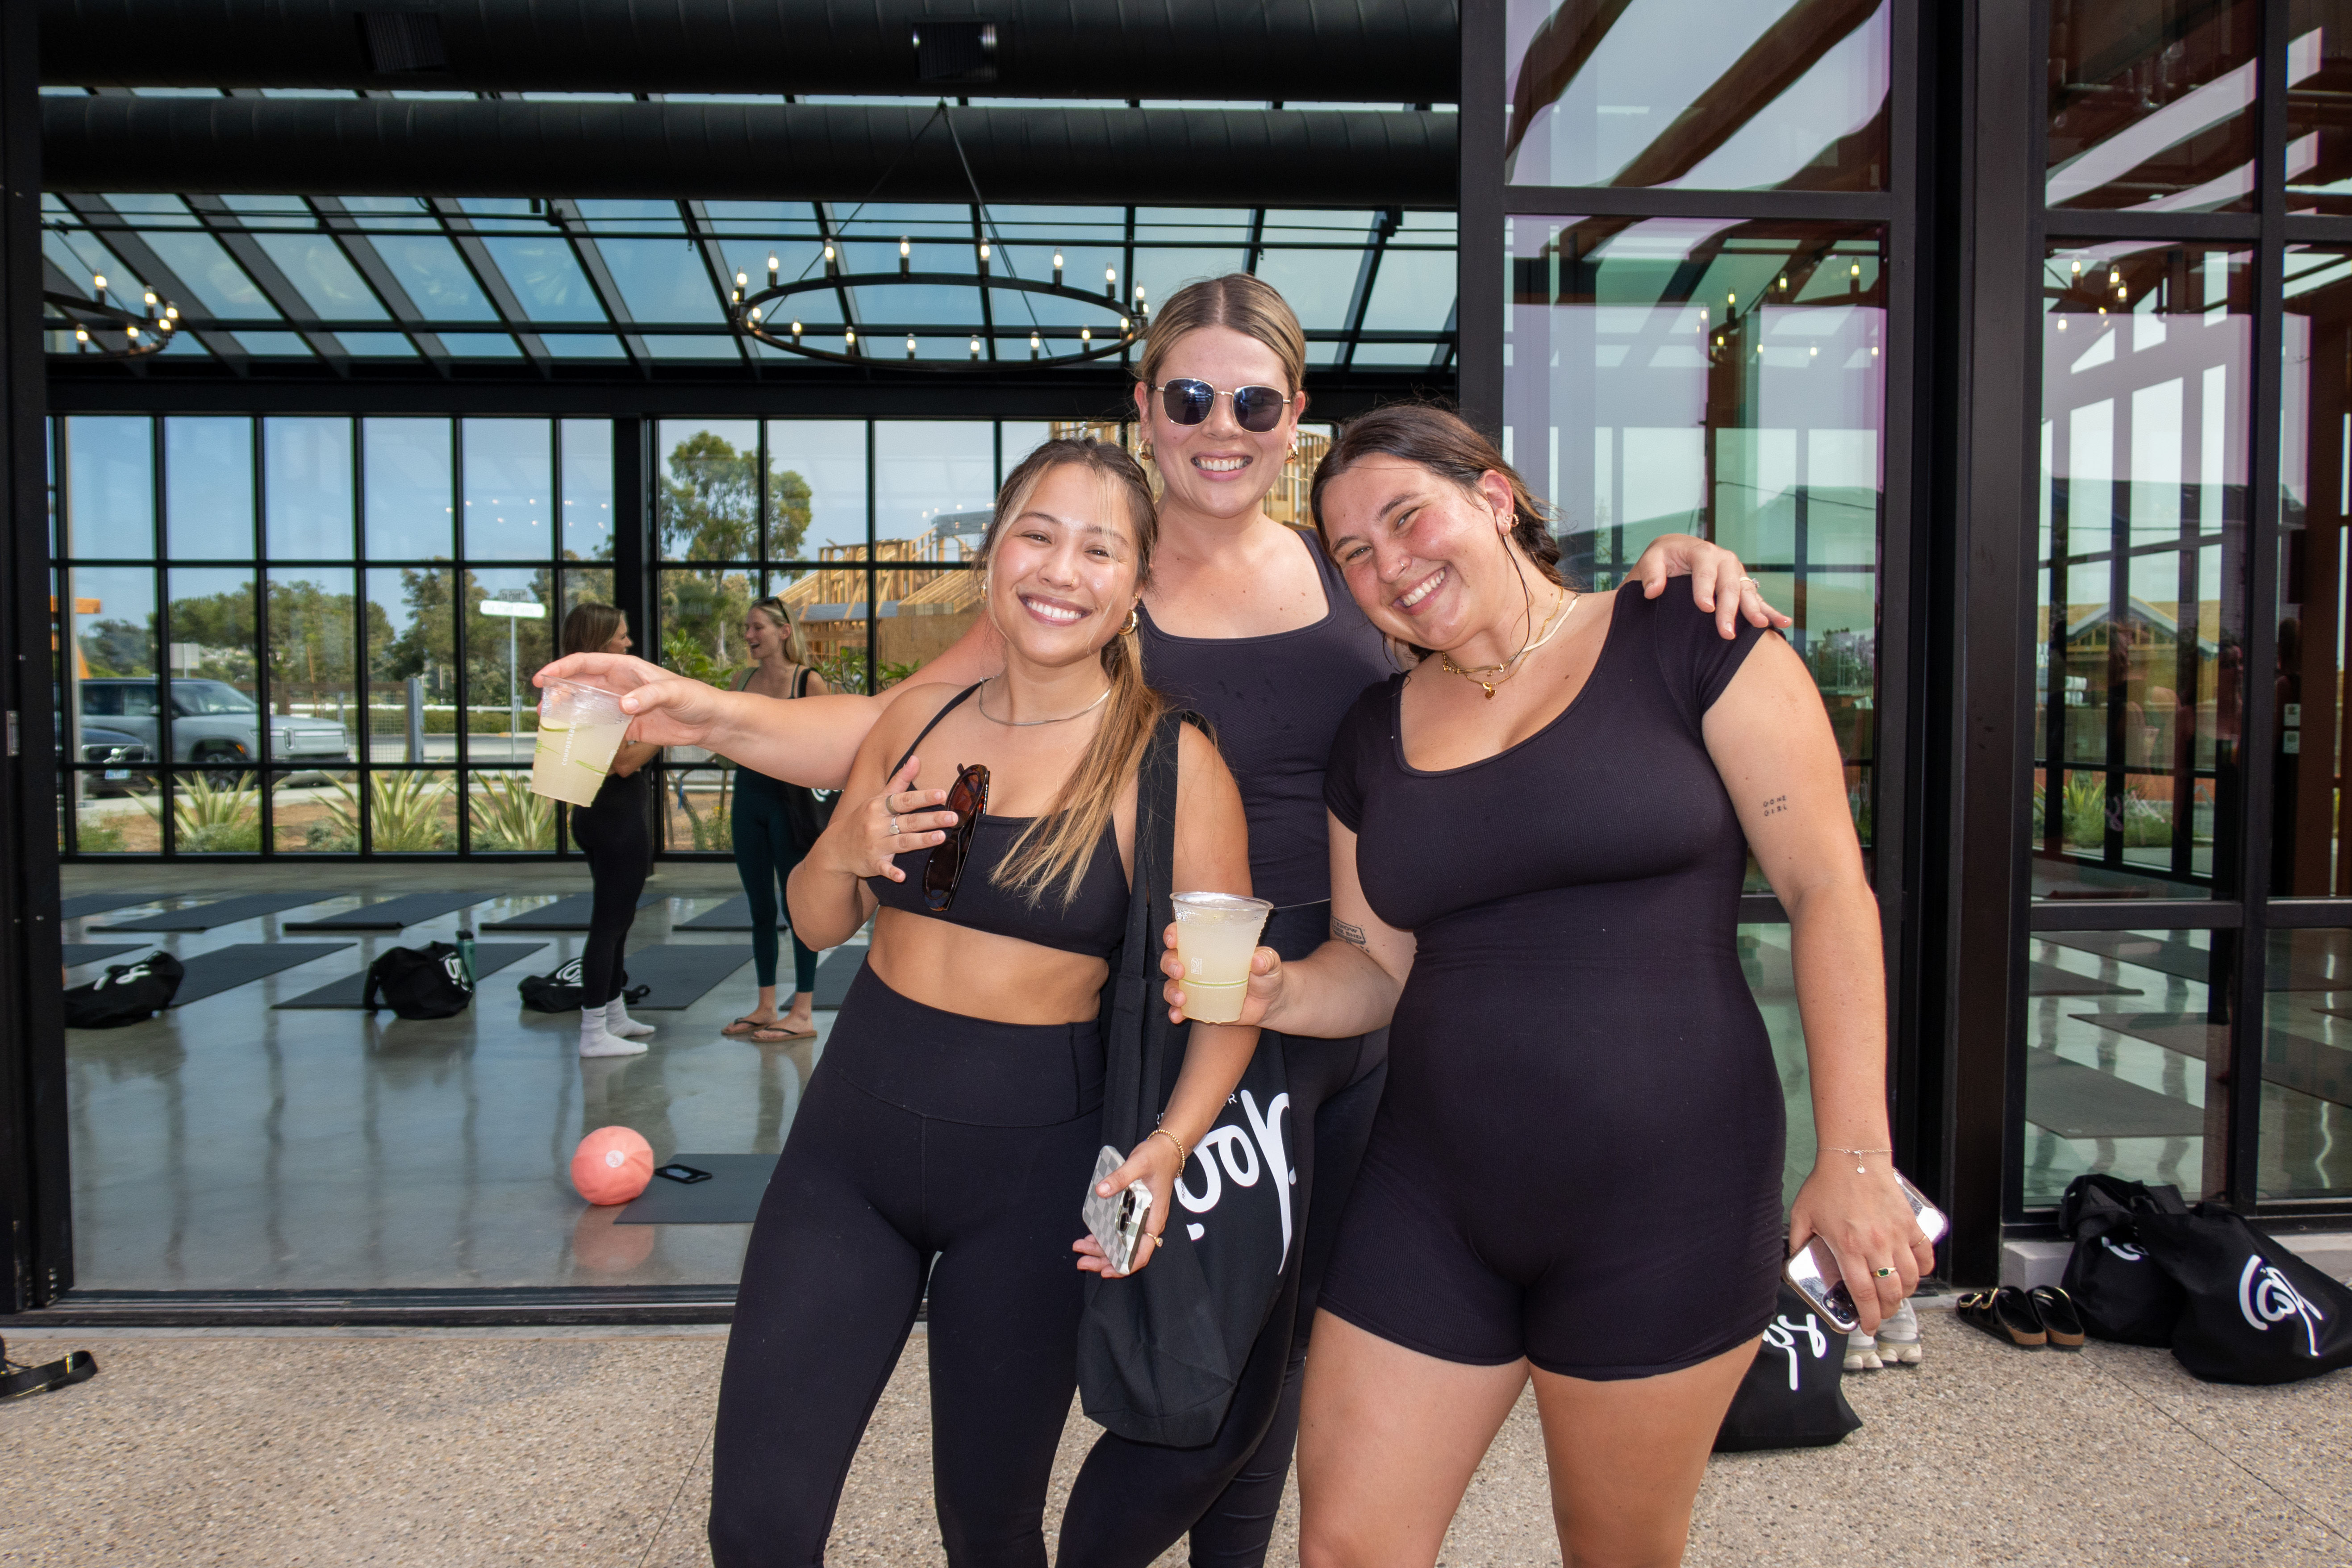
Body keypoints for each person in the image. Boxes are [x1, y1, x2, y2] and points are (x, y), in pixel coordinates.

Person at [536, 276, 1785, 1566]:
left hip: (1356, 1001)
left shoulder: (1348, 565)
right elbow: (893, 726)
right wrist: (696, 707)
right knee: (1202, 1373)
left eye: (1253, 400)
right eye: (1189, 396)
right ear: (1145, 411)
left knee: (1279, 1359)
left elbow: (1491, 627)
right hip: (1194, 994)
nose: (1220, 425)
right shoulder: (1089, 583)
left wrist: (1672, 575)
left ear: (1293, 416)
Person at [1164, 405, 1926, 1568]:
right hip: (1433, 1203)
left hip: (1666, 1204)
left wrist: (1856, 1154)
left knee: (1614, 1551)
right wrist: (1272, 994)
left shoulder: (1686, 638)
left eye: (1406, 516)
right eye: (1352, 554)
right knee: (1346, 1550)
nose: (1387, 564)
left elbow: (1829, 891)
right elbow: (1372, 969)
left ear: (1495, 496)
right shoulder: (1371, 734)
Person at [703, 437, 1260, 1565]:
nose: (1060, 568)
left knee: (989, 1526)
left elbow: (1224, 1000)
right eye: (1036, 534)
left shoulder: (1170, 760)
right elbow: (818, 923)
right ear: (992, 559)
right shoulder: (915, 715)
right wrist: (847, 847)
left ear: (1136, 584)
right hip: (848, 1146)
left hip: (1034, 1175)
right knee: (757, 1523)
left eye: (1098, 547)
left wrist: (1165, 1143)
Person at [718, 595, 829, 1043]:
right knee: (760, 908)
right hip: (748, 801)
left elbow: (829, 748)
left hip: (791, 806)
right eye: (747, 627)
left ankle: (802, 1011)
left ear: (784, 632)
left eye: (757, 627)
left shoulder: (808, 681)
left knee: (796, 907)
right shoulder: (740, 680)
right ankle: (766, 1006)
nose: (749, 636)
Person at [557, 603, 661, 1060]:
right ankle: (593, 1029)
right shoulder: (591, 692)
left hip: (599, 814)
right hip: (614, 818)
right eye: (621, 635)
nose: (628, 643)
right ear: (599, 641)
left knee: (620, 920)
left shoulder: (576, 689)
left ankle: (613, 1013)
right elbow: (623, 762)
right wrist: (668, 731)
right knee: (608, 924)